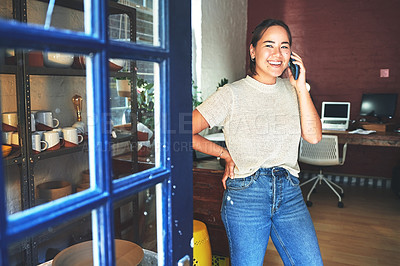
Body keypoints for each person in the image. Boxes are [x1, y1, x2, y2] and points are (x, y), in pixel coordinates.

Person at [192, 19, 323, 265]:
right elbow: (182, 131)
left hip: (290, 193)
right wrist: (225, 154)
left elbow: (314, 136)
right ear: (253, 51)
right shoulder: (232, 94)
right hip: (246, 196)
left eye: (284, 47)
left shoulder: (294, 91)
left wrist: (301, 87)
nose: (277, 54)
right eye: (269, 45)